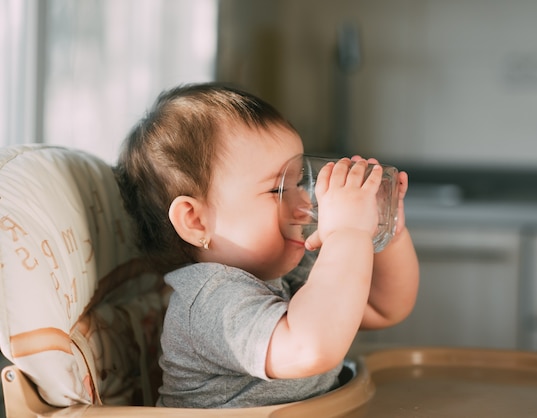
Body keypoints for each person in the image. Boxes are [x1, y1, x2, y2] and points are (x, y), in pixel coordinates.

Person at [115, 82, 419, 409]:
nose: (305, 201)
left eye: (300, 182)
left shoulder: (292, 273)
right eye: (277, 190)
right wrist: (347, 233)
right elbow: (310, 347)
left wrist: (386, 233)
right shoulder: (208, 302)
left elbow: (385, 308)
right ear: (196, 221)